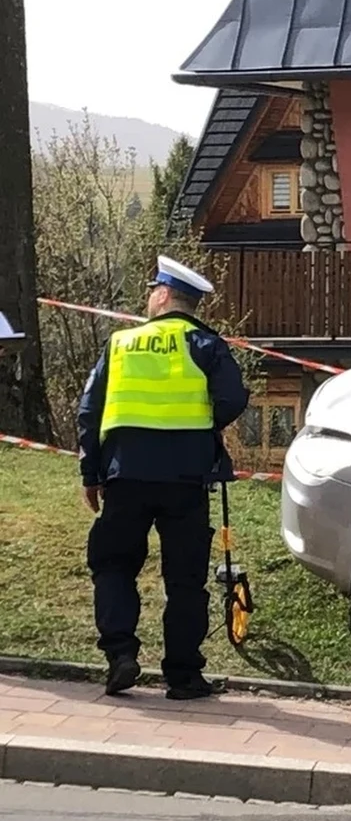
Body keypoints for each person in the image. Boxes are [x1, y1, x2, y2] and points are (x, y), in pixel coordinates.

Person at [77, 256, 249, 699]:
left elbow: (89, 413)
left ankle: (120, 655)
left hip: (124, 477)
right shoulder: (206, 344)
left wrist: (90, 474)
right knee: (185, 580)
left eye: (152, 289)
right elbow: (233, 397)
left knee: (113, 565)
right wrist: (199, 428)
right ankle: (184, 676)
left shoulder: (120, 343)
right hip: (186, 479)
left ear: (163, 295)